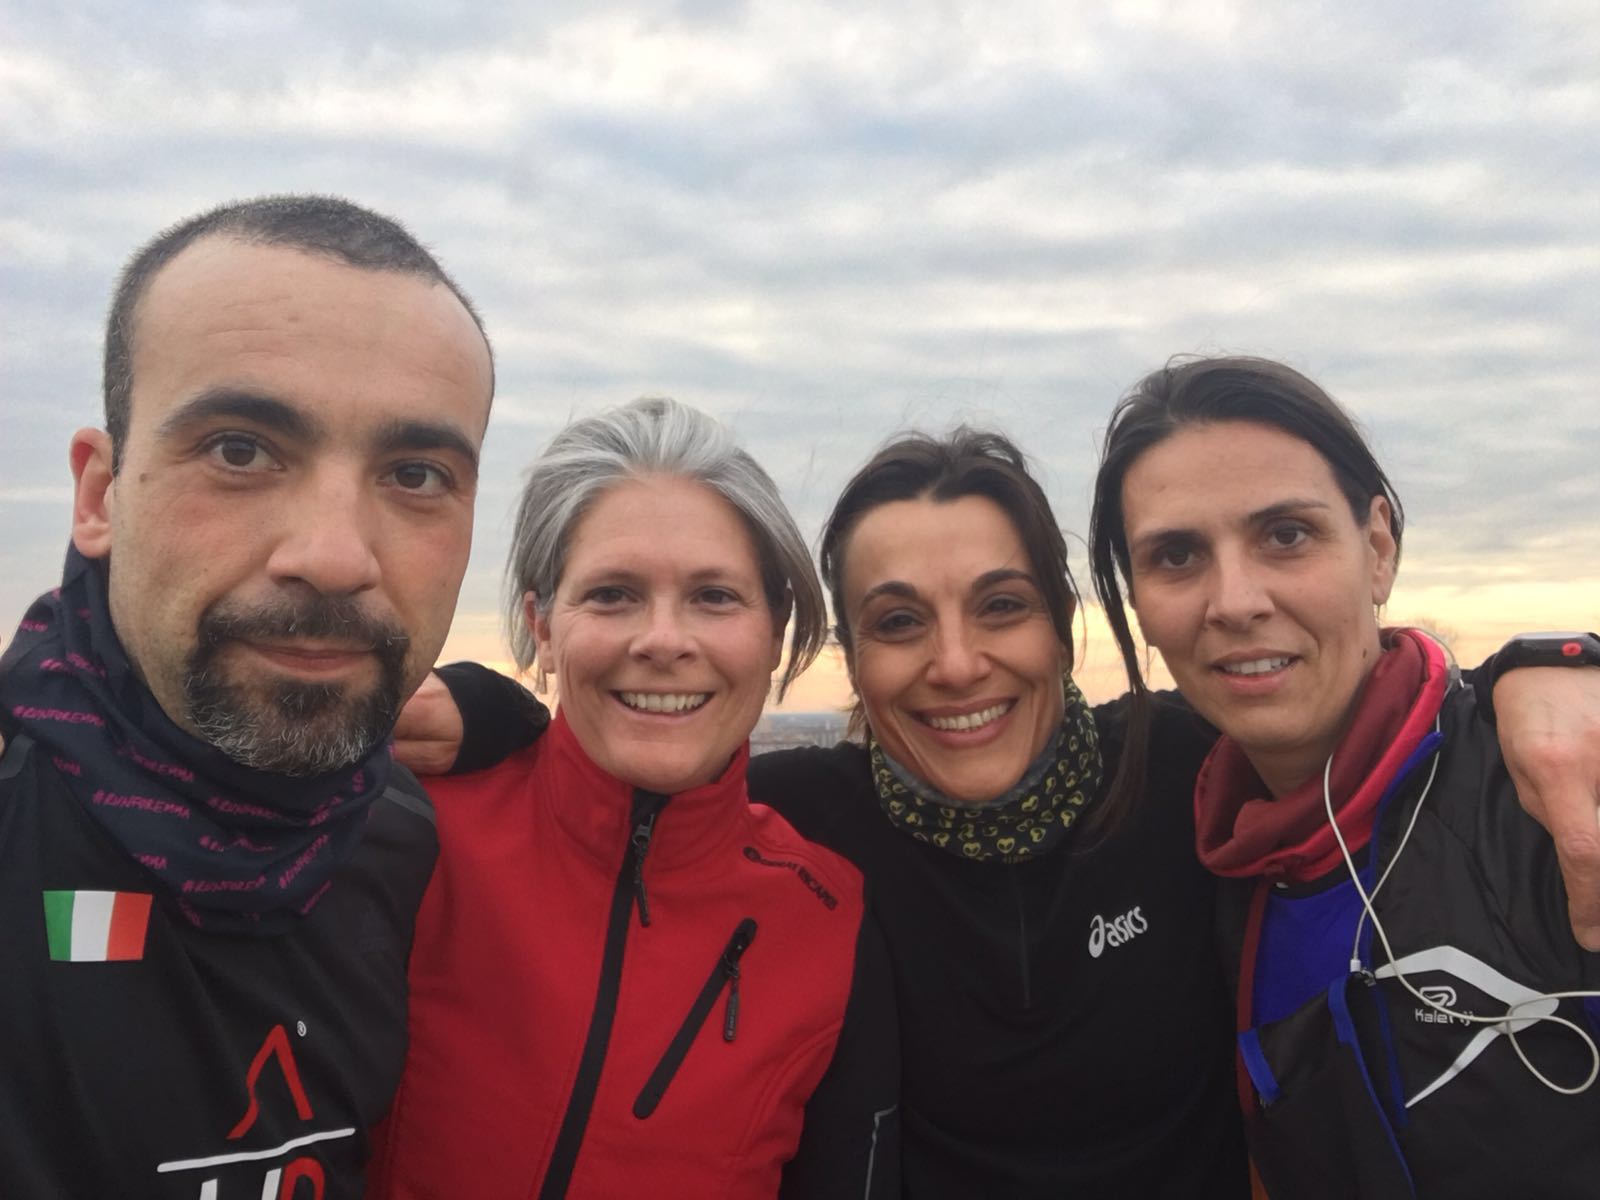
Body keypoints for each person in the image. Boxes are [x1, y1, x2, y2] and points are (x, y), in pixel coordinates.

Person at [0, 195, 494, 1197]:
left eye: (413, 473)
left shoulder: (401, 836)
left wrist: (502, 715)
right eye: (239, 450)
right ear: (100, 495)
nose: (333, 557)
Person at [1089, 355, 1600, 1198]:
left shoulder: (1547, 795)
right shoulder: (1196, 836)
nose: (1236, 600)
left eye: (1286, 535)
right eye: (1176, 555)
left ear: (1377, 547)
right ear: (1138, 603)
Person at [368, 398, 899, 1199]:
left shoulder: (829, 917)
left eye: (715, 596)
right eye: (613, 594)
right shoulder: (406, 832)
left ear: (775, 632)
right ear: (541, 628)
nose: (662, 640)